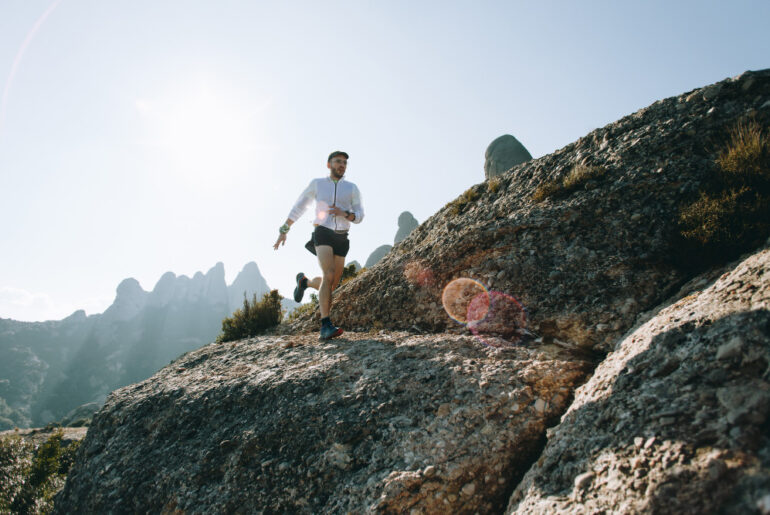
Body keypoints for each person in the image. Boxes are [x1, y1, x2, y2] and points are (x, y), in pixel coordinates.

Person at [273, 150, 364, 340]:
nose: (342, 165)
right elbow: (299, 206)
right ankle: (325, 326)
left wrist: (344, 213)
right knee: (328, 274)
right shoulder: (317, 184)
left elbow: (359, 215)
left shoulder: (352, 188)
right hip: (323, 232)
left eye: (344, 163)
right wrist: (284, 229)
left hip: (342, 237)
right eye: (338, 161)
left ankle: (304, 283)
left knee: (331, 285)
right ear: (329, 164)